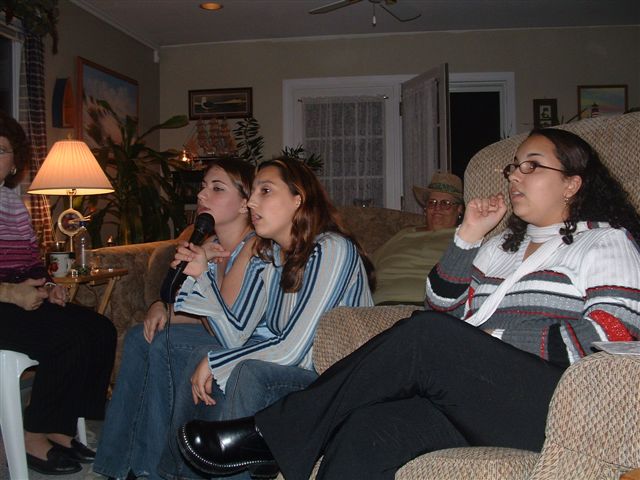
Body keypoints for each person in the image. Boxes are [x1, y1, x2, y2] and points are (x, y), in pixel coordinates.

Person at [176, 128, 640, 480]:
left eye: (532, 167)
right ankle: (284, 434)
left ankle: (269, 432)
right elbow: (440, 309)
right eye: (513, 167)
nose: (515, 175)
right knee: (364, 431)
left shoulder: (605, 242)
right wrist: (467, 237)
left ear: (571, 184)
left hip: (556, 404)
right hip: (475, 400)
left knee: (427, 335)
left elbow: (614, 333)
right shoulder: (501, 247)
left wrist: (491, 337)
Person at [157, 157, 374, 480]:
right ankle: (178, 475)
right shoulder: (270, 256)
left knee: (248, 372)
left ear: (298, 198)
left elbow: (294, 349)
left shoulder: (332, 249)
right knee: (204, 354)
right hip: (300, 373)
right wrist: (203, 276)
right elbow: (235, 335)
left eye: (266, 191)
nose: (252, 203)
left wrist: (217, 363)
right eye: (253, 192)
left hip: (335, 384)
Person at [93, 157, 257, 480]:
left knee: (164, 343)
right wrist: (162, 308)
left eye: (217, 188)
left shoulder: (250, 248)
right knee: (140, 336)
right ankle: (116, 463)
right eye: (203, 187)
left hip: (240, 341)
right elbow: (191, 306)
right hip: (216, 329)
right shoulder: (211, 243)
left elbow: (222, 323)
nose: (202, 195)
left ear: (244, 204)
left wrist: (197, 284)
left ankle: (152, 468)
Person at [0, 111, 117, 475]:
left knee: (99, 329)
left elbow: (30, 262)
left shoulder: (12, 203)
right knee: (66, 338)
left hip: (19, 299)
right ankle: (33, 432)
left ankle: (61, 427)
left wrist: (48, 287)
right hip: (3, 303)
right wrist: (10, 293)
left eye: (1, 149)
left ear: (14, 163)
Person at [372, 171, 464, 305]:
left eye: (445, 203)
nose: (437, 208)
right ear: (426, 208)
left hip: (427, 307)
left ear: (459, 209)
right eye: (432, 202)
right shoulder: (404, 234)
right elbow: (367, 266)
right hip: (379, 305)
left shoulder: (464, 239)